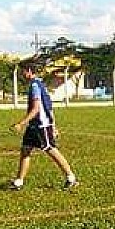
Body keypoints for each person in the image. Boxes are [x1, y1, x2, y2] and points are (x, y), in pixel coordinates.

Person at [9, 60, 78, 190]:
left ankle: (71, 178)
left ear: (29, 71)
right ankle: (19, 181)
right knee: (25, 150)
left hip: (41, 125)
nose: (21, 74)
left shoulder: (35, 86)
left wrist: (21, 123)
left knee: (51, 150)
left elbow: (36, 109)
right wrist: (54, 125)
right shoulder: (40, 84)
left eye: (22, 71)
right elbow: (49, 107)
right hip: (34, 125)